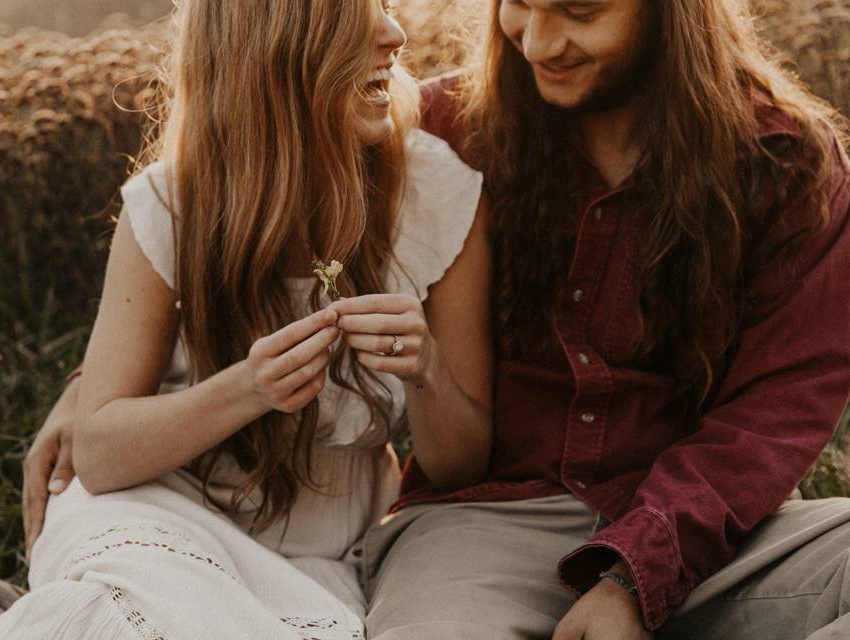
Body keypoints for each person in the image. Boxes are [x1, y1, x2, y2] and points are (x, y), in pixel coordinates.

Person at [0, 1, 493, 638]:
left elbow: (461, 467)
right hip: (153, 512)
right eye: (354, 15)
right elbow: (99, 452)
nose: (394, 34)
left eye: (387, 5)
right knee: (124, 615)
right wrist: (247, 389)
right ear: (273, 49)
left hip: (320, 558)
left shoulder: (440, 196)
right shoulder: (171, 204)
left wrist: (426, 370)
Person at [360, 0, 850, 639]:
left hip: (716, 538)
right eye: (519, 5)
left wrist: (633, 575)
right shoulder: (446, 132)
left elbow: (775, 410)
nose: (536, 43)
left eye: (579, 12)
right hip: (482, 530)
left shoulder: (786, 160)